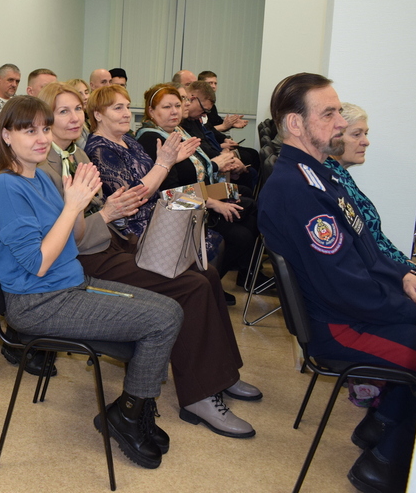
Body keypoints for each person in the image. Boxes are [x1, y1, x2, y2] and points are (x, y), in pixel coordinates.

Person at [0, 95, 183, 469]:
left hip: (68, 284)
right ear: (5, 136)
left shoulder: (39, 176)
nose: (41, 138)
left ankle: (134, 407)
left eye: (44, 129)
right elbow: (38, 263)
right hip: (38, 302)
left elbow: (75, 236)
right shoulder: (4, 188)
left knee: (171, 310)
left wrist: (80, 202)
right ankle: (129, 413)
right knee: (162, 320)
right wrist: (70, 206)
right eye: (29, 131)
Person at [39, 83, 259, 437]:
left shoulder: (78, 154)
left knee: (206, 275)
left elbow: (146, 195)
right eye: (63, 111)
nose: (74, 117)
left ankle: (223, 374)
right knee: (191, 286)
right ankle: (200, 395)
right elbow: (78, 228)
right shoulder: (70, 157)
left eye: (76, 109)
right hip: (90, 254)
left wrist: (202, 192)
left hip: (114, 239)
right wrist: (116, 207)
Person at [259, 72, 416, 493]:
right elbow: (344, 287)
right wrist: (411, 310)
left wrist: (405, 277)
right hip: (341, 326)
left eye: (339, 111)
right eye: (329, 113)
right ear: (295, 124)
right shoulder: (297, 189)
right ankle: (384, 466)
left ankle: (383, 426)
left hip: (351, 311)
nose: (340, 122)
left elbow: (366, 248)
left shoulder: (320, 173)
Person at [133, 84, 259, 294]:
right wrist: (212, 202)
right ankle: (206, 286)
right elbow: (169, 193)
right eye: (166, 107)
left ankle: (223, 282)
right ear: (151, 111)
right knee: (241, 235)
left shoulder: (178, 130)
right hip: (180, 211)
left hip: (198, 198)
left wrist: (221, 192)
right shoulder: (152, 139)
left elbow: (201, 170)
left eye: (177, 105)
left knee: (248, 210)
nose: (174, 111)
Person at [326, 103, 416, 280]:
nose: (366, 141)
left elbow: (375, 237)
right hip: (379, 277)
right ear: (334, 136)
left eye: (365, 134)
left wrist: (407, 264)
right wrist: (406, 270)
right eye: (356, 134)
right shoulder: (331, 181)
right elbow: (363, 249)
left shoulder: (340, 175)